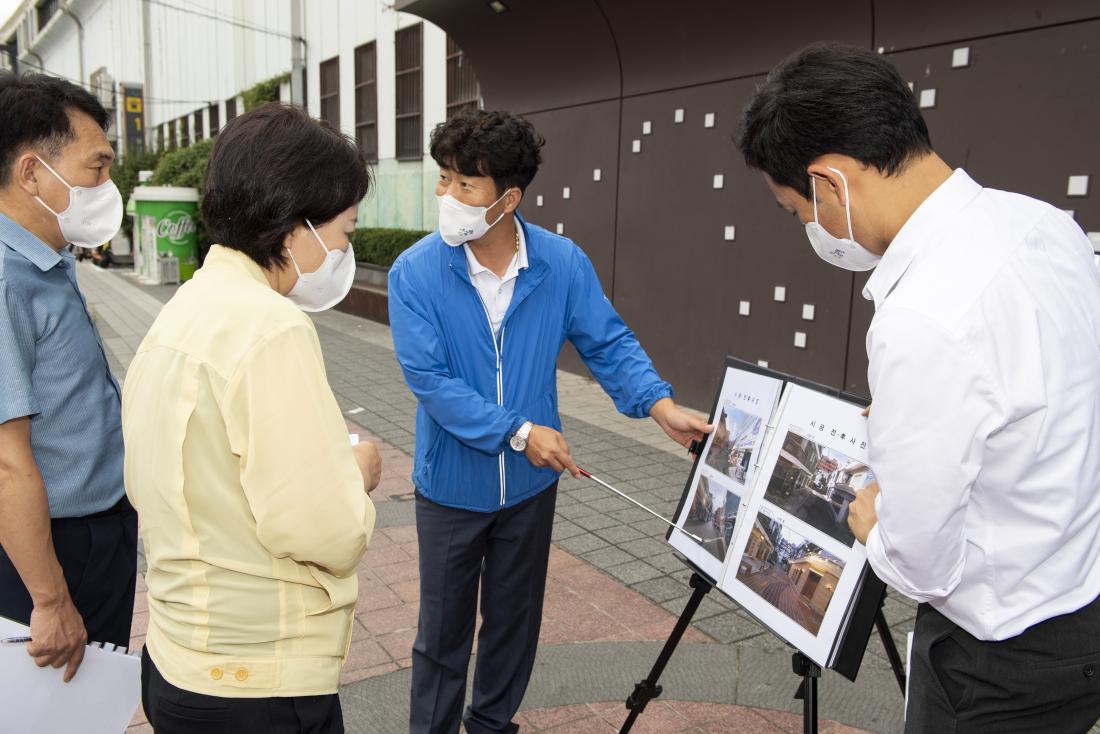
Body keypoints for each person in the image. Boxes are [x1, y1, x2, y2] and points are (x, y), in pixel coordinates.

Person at [736, 42, 1100, 732]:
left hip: (997, 657)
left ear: (831, 183)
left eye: (798, 210)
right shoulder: (1044, 223)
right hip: (1081, 597)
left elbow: (921, 565)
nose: (810, 227)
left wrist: (875, 525)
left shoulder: (922, 317)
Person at [389, 109, 711, 734]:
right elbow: (430, 381)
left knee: (514, 624)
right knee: (442, 635)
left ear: (508, 198)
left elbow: (608, 342)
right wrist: (518, 432)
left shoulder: (560, 263)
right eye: (443, 180)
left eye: (463, 184)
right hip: (452, 489)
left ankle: (491, 725)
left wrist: (658, 405)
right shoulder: (415, 272)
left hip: (530, 493)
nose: (445, 196)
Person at [122, 103, 381, 733]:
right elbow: (323, 528)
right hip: (256, 678)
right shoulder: (271, 328)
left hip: (181, 657)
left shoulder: (186, 307)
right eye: (344, 231)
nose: (344, 249)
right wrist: (356, 475)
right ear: (298, 228)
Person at [0, 72, 135, 682]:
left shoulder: (48, 259)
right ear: (32, 173)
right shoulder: (5, 278)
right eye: (97, 167)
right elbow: (5, 460)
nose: (109, 187)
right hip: (49, 551)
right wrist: (50, 600)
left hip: (96, 531)